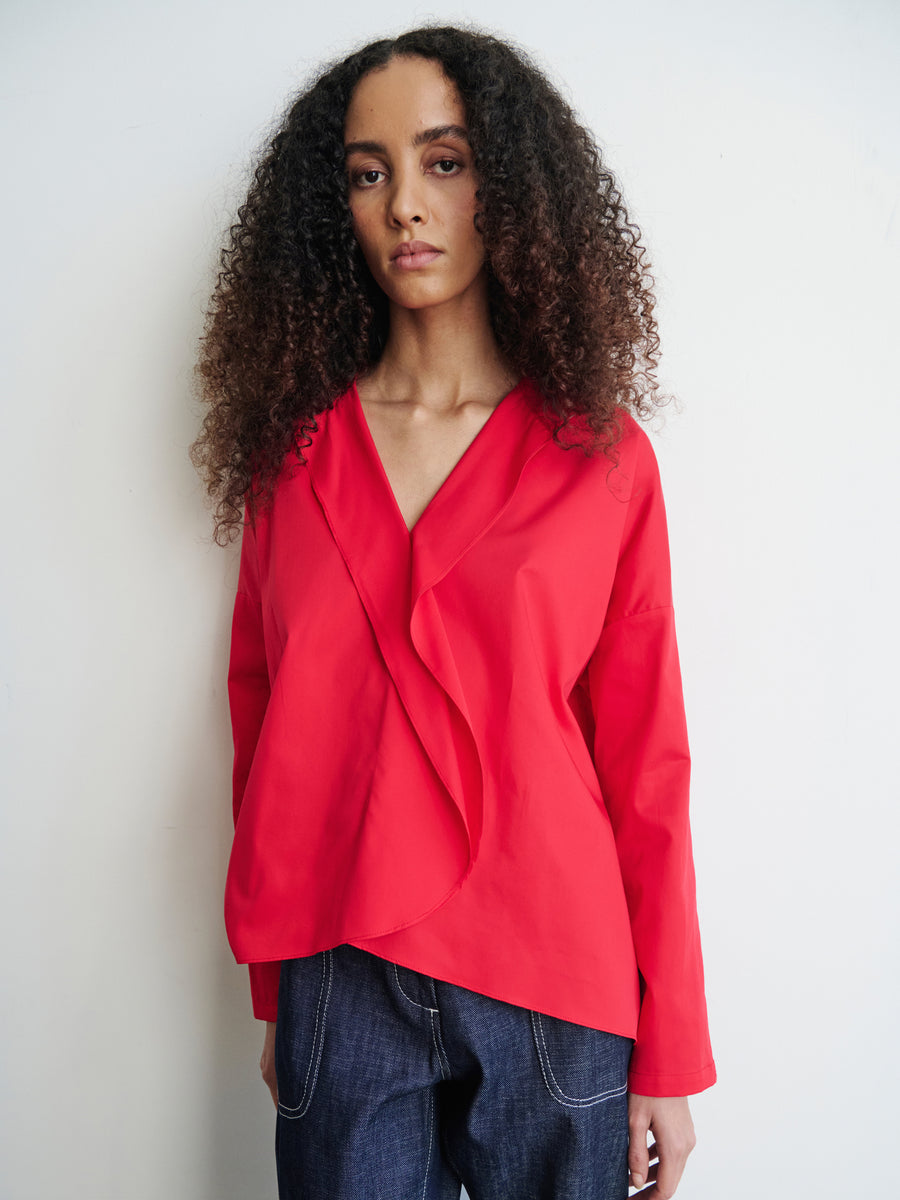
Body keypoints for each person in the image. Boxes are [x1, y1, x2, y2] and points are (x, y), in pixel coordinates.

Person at [193, 24, 715, 1200]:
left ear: (511, 186)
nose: (406, 208)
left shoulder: (601, 458)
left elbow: (648, 760)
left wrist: (669, 1049)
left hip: (556, 985)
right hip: (341, 971)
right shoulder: (296, 456)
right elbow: (262, 714)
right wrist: (281, 987)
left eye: (445, 161)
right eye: (369, 174)